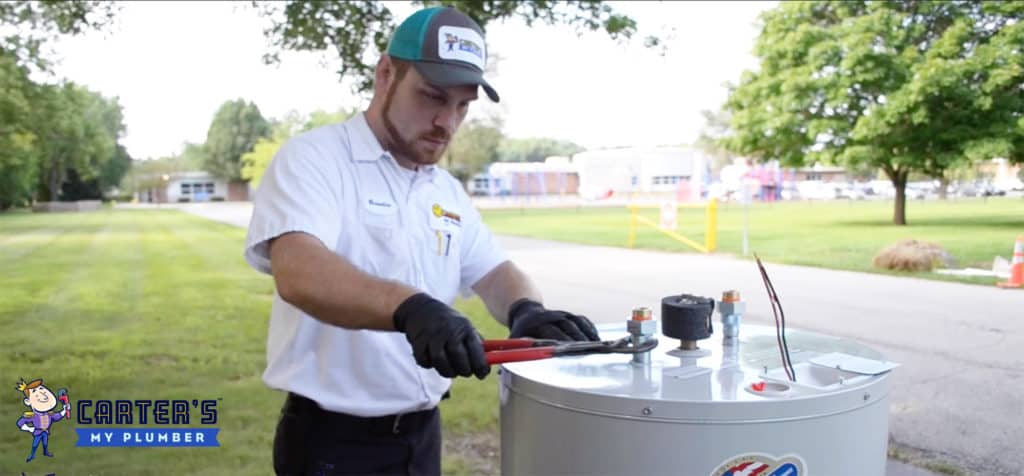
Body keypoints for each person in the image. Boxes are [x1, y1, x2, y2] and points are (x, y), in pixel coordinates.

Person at [243, 6, 600, 475]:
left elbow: (493, 271)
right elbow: (300, 271)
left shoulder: (444, 190)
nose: (446, 122)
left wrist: (525, 310)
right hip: (331, 445)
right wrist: (411, 307)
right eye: (432, 96)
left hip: (421, 436)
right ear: (386, 74)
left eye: (462, 106)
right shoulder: (316, 159)